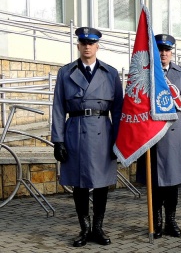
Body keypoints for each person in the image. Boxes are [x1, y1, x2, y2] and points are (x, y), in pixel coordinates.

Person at [52, 27, 123, 247]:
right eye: (83, 43)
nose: (87, 47)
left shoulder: (110, 73)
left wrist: (118, 141)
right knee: (80, 184)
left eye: (91, 43)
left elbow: (119, 110)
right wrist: (58, 140)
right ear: (78, 45)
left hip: (103, 132)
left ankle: (98, 228)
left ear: (97, 46)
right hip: (76, 131)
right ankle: (84, 229)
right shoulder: (66, 72)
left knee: (101, 184)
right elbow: (57, 108)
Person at [136, 34, 181, 238]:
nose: (163, 53)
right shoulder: (146, 73)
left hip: (175, 134)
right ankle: (157, 221)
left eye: (167, 50)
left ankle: (171, 220)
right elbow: (137, 106)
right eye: (160, 50)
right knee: (154, 182)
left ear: (172, 52)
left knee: (172, 182)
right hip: (153, 135)